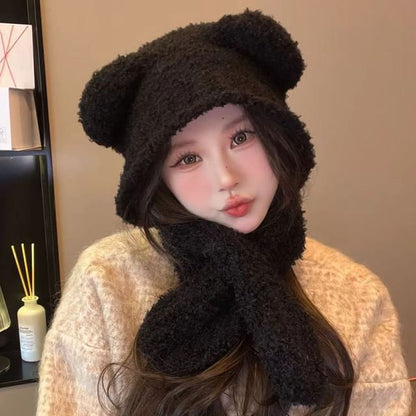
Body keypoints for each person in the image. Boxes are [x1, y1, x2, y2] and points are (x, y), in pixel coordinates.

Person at [36, 9, 412, 416]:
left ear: (276, 134)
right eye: (188, 158)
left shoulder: (358, 295)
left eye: (241, 137)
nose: (226, 177)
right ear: (160, 180)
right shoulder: (106, 284)